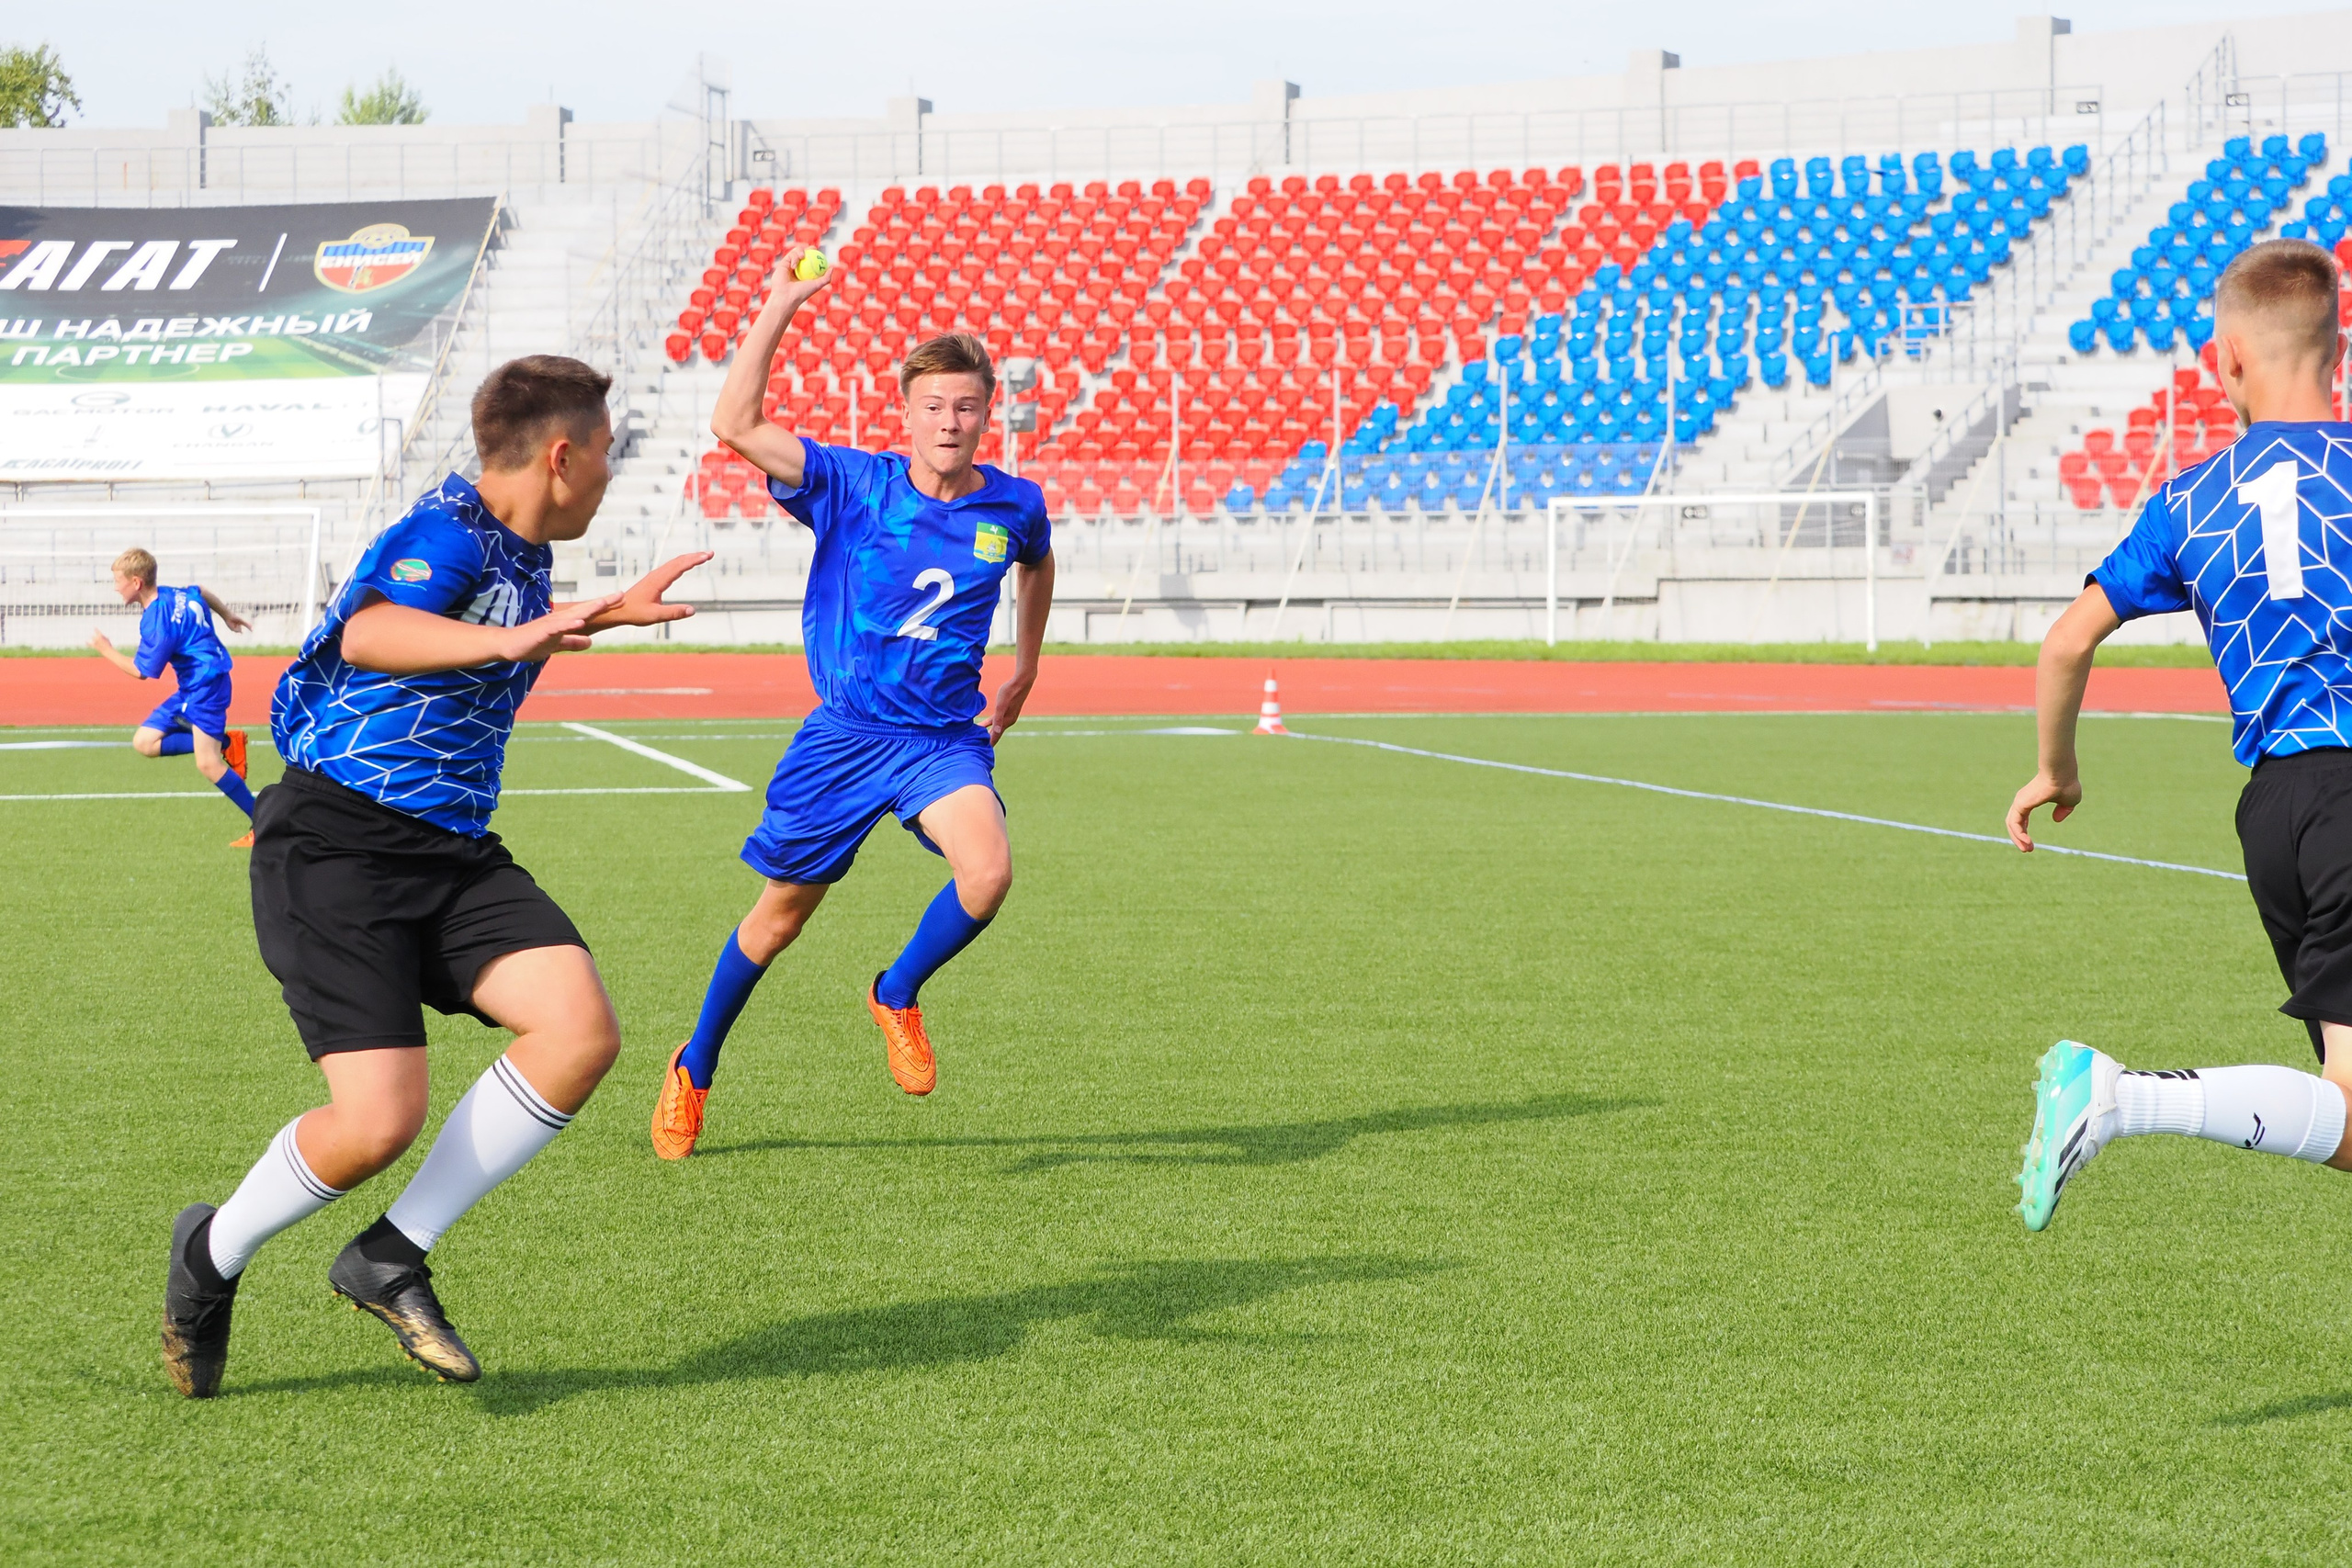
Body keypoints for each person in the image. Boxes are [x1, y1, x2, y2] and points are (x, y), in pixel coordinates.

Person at [160, 355, 710, 1397]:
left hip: (449, 849)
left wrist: (598, 614)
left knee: (579, 1031)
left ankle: (389, 1255)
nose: (611, 471)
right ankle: (211, 1252)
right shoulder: (448, 527)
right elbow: (371, 631)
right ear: (561, 456)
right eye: (606, 451)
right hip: (337, 844)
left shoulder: (521, 549)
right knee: (376, 1123)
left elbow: (504, 625)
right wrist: (522, 636)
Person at [648, 247, 1054, 1160]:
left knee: (988, 872)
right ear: (905, 413)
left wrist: (1025, 667)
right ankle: (695, 1065)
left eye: (966, 406)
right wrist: (781, 302)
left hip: (941, 741)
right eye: (934, 405)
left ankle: (896, 992)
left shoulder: (1015, 505)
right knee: (778, 920)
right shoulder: (854, 484)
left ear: (988, 412)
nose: (950, 421)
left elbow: (1037, 562)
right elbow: (733, 423)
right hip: (845, 737)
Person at [2009, 238, 2352, 1230]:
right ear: (2336, 347)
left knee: (2346, 1116)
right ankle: (2120, 1098)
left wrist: (2055, 769)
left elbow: (2065, 643)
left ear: (2228, 357)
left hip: (2277, 813)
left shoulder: (2188, 501)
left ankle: (2122, 1099)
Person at [88, 550, 257, 845]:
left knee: (208, 764)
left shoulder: (157, 622)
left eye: (118, 581)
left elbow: (141, 671)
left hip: (205, 687)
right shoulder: (173, 593)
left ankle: (265, 824)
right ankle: (225, 742)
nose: (116, 587)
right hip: (195, 685)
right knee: (145, 742)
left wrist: (106, 650)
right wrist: (227, 615)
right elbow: (200, 591)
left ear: (136, 582)